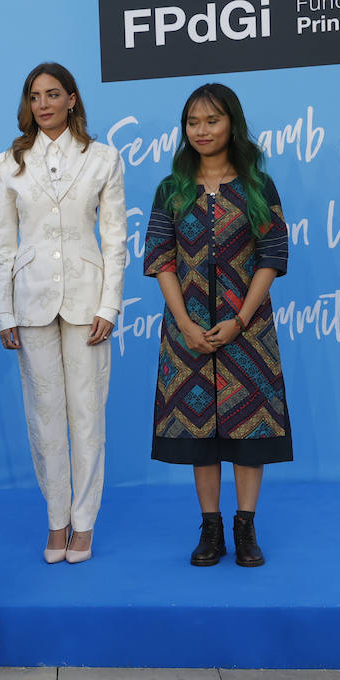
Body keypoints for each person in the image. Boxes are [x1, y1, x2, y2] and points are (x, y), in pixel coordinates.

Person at [142, 83, 292, 567]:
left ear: (232, 124)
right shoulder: (171, 189)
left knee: (249, 437)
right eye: (193, 122)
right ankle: (211, 530)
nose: (202, 131)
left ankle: (245, 528)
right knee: (199, 437)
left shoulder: (257, 186)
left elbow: (271, 256)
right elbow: (161, 258)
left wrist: (242, 318)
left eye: (212, 120)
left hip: (247, 331)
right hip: (187, 333)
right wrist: (183, 323)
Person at [0, 62, 126, 565]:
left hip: (88, 300)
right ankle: (56, 520)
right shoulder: (8, 162)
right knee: (44, 416)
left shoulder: (103, 158)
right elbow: (2, 244)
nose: (43, 104)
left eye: (52, 94)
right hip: (31, 301)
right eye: (34, 96)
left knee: (88, 415)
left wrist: (110, 303)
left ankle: (85, 522)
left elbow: (115, 241)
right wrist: (3, 311)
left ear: (72, 99)